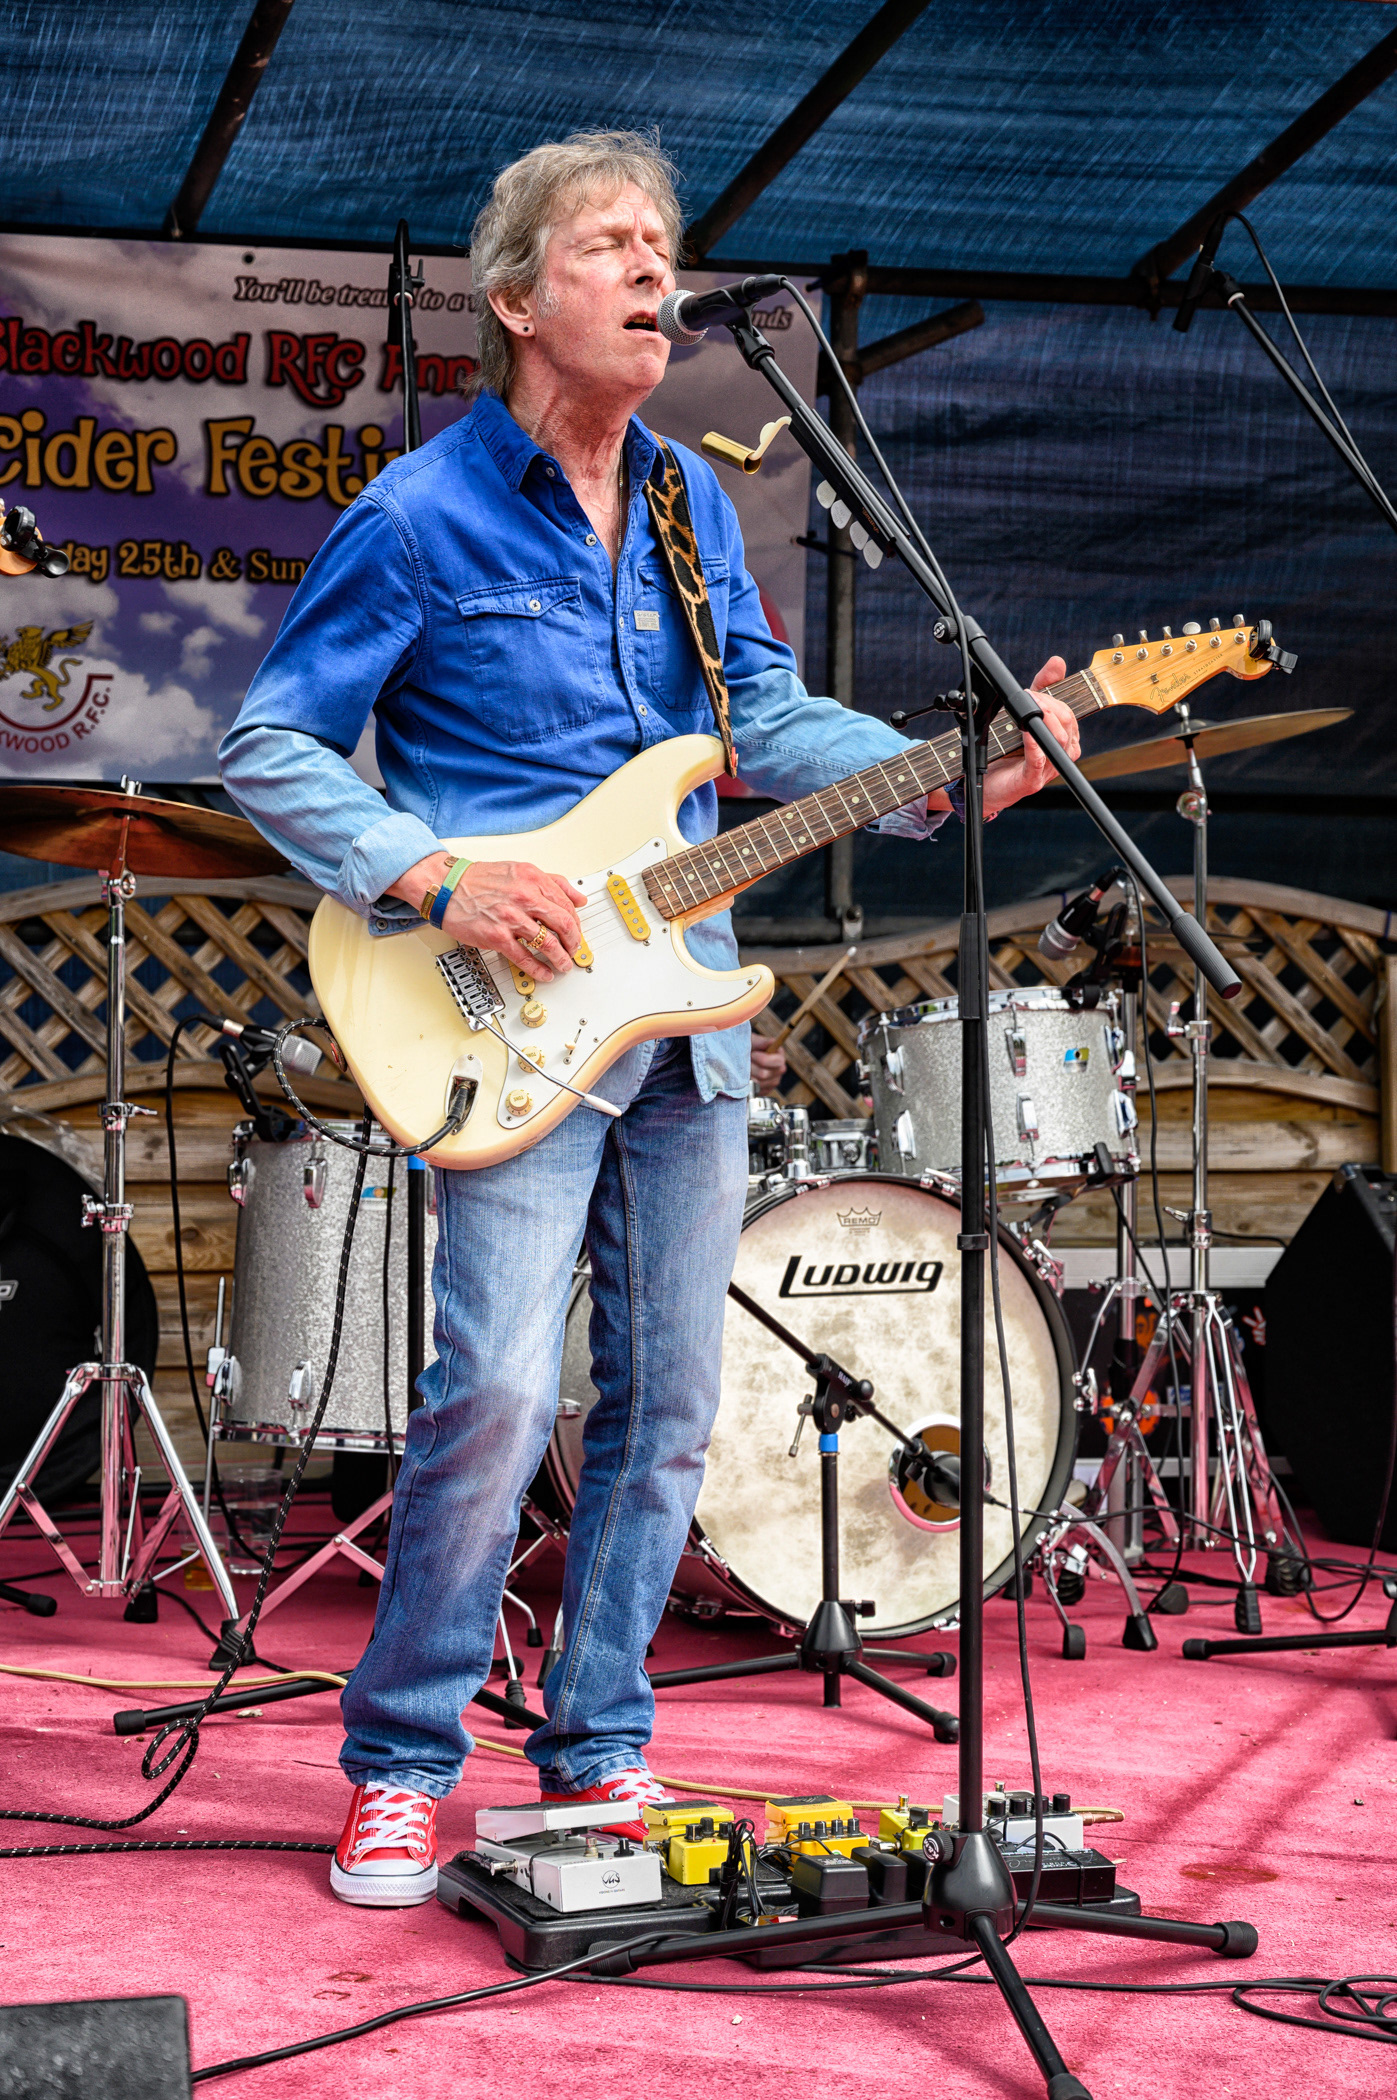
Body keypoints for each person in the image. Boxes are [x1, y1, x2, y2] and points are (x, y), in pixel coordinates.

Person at [219, 130, 1080, 1909]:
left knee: (672, 1406)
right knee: (498, 1393)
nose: (651, 270)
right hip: (499, 1017)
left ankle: (598, 1747)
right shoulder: (417, 510)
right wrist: (434, 878)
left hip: (682, 1025)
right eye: (610, 243)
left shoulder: (689, 500)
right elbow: (269, 743)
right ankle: (398, 1762)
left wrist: (948, 775)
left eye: (662, 244)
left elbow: (755, 715)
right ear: (520, 298)